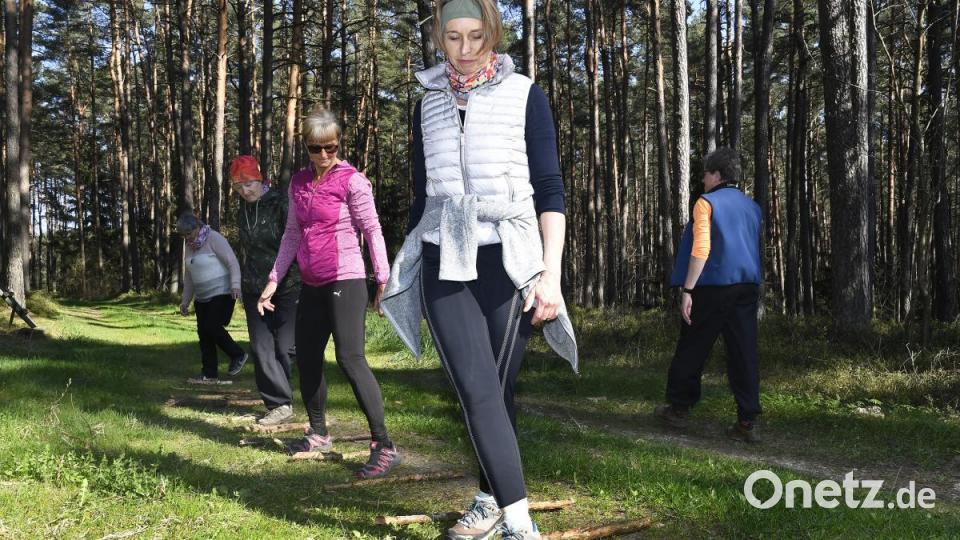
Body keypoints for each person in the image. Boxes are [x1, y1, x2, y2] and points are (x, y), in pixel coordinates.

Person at [380, 1, 578, 537]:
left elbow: (551, 194)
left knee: (497, 387)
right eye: (452, 38)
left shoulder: (525, 96)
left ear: (491, 33)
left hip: (508, 259)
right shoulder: (427, 106)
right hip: (446, 253)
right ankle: (520, 525)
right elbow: (422, 198)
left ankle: (491, 498)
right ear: (439, 40)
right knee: (475, 387)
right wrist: (399, 263)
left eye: (475, 36)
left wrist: (551, 275)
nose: (465, 51)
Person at [257, 107, 399, 478]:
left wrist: (381, 279)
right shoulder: (299, 183)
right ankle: (318, 432)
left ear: (339, 145)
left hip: (346, 278)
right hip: (312, 281)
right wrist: (274, 279)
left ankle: (384, 445)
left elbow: (372, 230)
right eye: (315, 148)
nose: (323, 155)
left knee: (351, 358)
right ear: (305, 147)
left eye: (330, 147)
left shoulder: (352, 181)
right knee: (305, 355)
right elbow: (291, 234)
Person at [654, 147, 763, 443]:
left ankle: (678, 409)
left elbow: (701, 249)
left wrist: (687, 289)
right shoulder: (752, 208)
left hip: (712, 286)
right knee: (743, 351)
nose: (702, 180)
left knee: (693, 346)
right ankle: (747, 420)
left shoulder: (706, 203)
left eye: (704, 173)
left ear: (716, 175)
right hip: (747, 287)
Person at [231, 155, 301, 426]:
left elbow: (295, 242)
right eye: (238, 187)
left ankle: (282, 393)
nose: (245, 191)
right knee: (261, 347)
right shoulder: (243, 210)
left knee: (284, 348)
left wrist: (281, 279)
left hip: (288, 285)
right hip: (253, 288)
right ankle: (279, 404)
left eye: (249, 184)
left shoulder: (282, 203)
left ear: (260, 178)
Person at [177, 213, 248, 383]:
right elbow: (189, 276)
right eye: (184, 235)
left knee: (212, 326)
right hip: (202, 297)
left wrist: (236, 285)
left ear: (197, 227)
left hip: (222, 292)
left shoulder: (214, 238)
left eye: (189, 233)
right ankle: (209, 374)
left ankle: (238, 354)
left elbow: (232, 262)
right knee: (204, 334)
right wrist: (185, 301)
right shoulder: (189, 246)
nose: (187, 238)